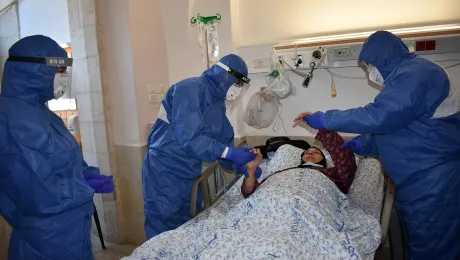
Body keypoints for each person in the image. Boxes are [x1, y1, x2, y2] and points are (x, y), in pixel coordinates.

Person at [302, 31, 460, 260]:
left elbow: (379, 117)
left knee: (434, 251)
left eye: (368, 65)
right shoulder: (401, 81)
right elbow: (400, 131)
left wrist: (325, 118)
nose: (369, 72)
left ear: (382, 57)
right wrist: (362, 144)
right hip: (417, 184)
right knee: (419, 246)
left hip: (435, 183)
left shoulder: (419, 73)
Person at [0, 35, 113, 260]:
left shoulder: (45, 114)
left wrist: (88, 174)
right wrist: (84, 185)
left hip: (72, 234)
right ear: (31, 71)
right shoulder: (10, 120)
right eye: (58, 69)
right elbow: (38, 196)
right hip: (45, 242)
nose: (63, 77)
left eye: (64, 69)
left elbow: (69, 159)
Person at [142, 54, 256, 239]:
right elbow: (191, 138)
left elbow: (223, 138)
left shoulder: (217, 104)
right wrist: (229, 153)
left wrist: (242, 166)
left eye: (241, 85)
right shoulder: (189, 89)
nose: (237, 89)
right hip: (164, 170)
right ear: (225, 74)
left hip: (188, 171)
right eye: (237, 82)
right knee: (164, 230)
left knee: (186, 227)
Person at [242, 126, 357, 198]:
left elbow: (345, 162)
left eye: (316, 152)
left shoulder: (332, 175)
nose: (310, 153)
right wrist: (251, 171)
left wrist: (326, 130)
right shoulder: (283, 173)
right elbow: (249, 193)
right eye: (307, 152)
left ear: (323, 161)